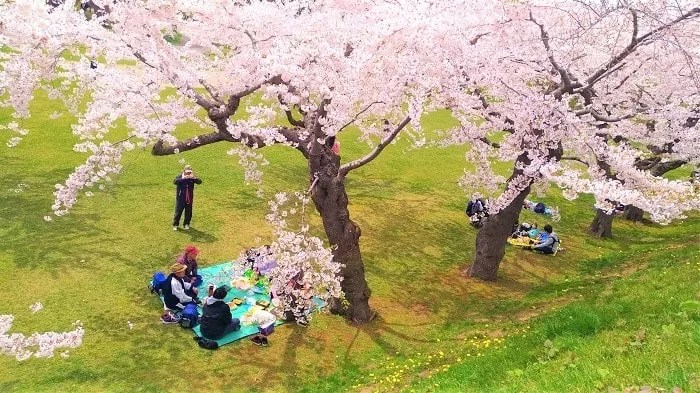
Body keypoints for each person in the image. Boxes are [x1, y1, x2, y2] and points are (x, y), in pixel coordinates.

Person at [173, 165, 202, 231]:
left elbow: (200, 182)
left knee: (188, 212)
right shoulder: (180, 176)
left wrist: (194, 178)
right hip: (180, 198)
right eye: (187, 172)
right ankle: (175, 224)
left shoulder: (192, 177)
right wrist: (183, 178)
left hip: (189, 198)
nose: (188, 173)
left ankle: (186, 224)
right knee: (178, 211)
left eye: (190, 172)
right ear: (184, 171)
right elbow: (175, 182)